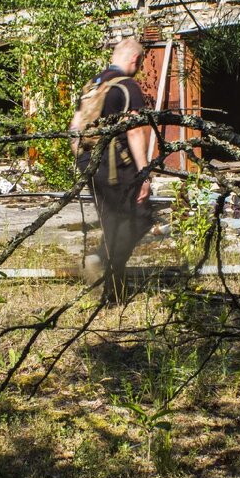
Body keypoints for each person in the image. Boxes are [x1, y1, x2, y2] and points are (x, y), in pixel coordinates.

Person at [77, 38, 155, 305]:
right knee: (141, 217)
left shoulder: (93, 84)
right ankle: (101, 259)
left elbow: (75, 128)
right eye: (140, 63)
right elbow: (134, 131)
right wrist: (144, 174)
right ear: (135, 59)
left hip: (90, 162)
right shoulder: (127, 85)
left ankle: (114, 296)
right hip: (116, 163)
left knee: (112, 223)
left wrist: (85, 163)